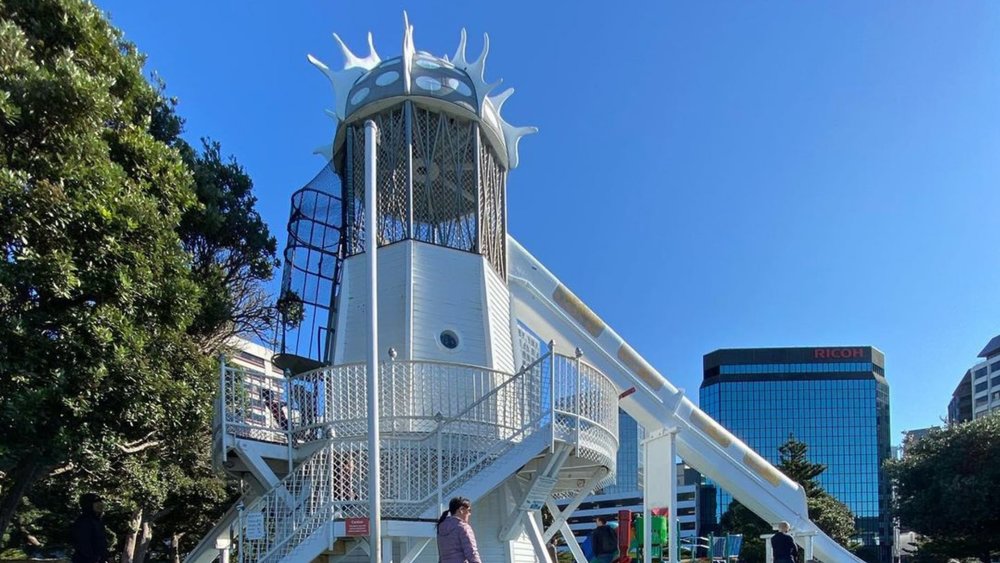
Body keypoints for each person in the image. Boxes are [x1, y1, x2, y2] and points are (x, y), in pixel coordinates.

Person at [436, 497, 481, 563]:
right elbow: (472, 553)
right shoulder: (463, 527)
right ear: (461, 509)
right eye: (469, 510)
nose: (469, 514)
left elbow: (441, 556)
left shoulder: (441, 526)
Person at [71, 493, 108, 563]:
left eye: (100, 501)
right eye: (96, 502)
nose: (100, 504)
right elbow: (83, 544)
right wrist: (94, 559)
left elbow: (101, 543)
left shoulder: (98, 521)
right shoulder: (83, 521)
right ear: (88, 504)